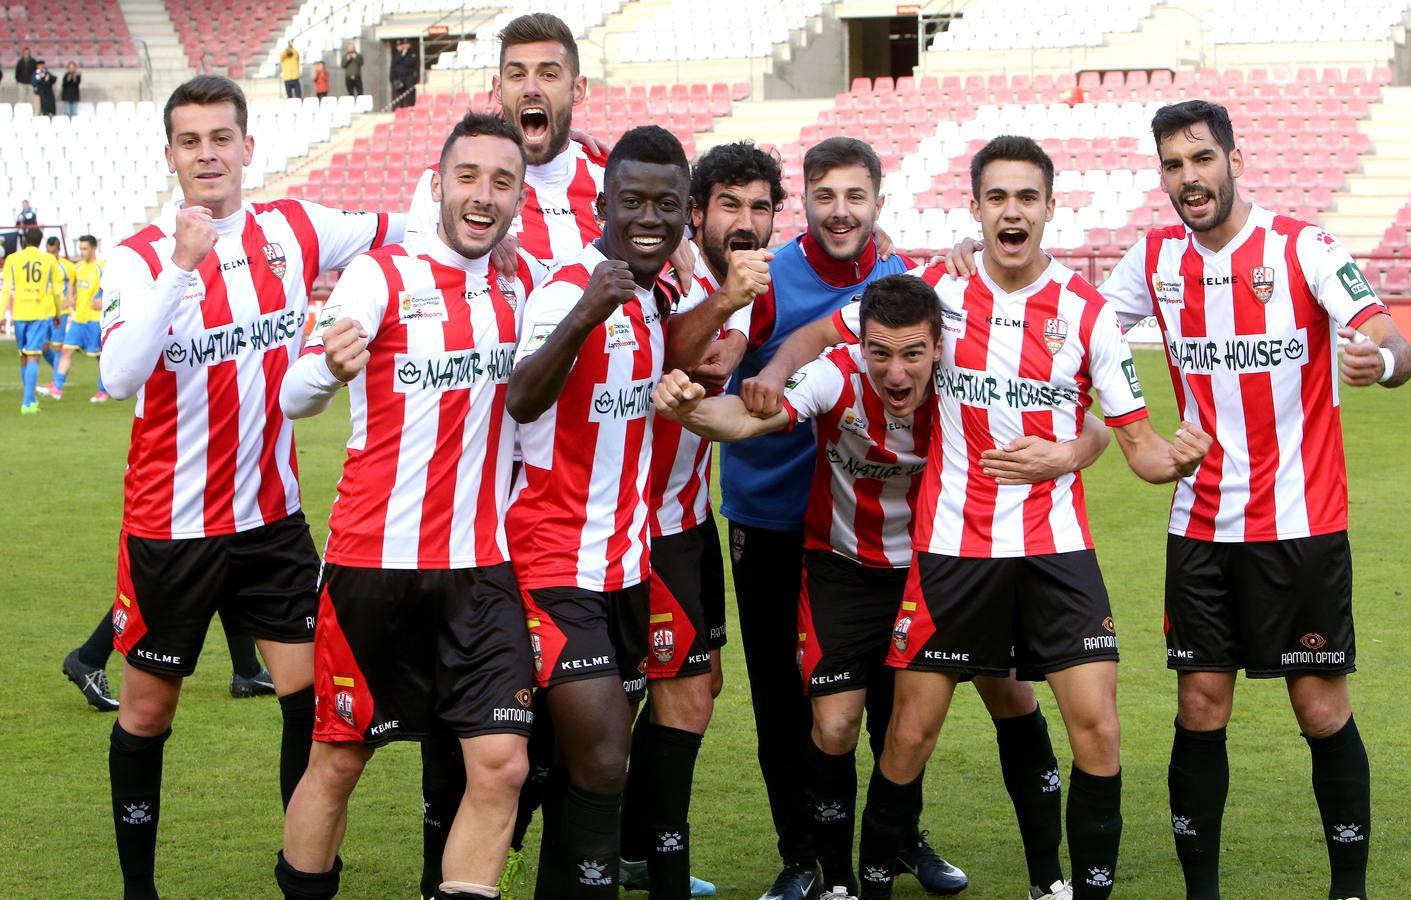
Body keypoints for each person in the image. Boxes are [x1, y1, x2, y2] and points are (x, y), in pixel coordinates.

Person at [945, 101, 1411, 900]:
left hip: (1299, 522)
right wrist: (975, 262)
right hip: (1197, 524)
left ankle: (1349, 891)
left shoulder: (1302, 247)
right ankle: (1200, 893)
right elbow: (1073, 330)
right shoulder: (1152, 259)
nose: (1188, 179)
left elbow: (1388, 335)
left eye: (1200, 159)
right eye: (1172, 165)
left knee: (1319, 708)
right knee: (1198, 705)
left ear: (1235, 159)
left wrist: (1385, 363)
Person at [823, 135, 1207, 900]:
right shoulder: (937, 292)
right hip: (951, 551)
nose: (1011, 211)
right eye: (996, 197)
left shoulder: (1088, 314)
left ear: (1048, 209)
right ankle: (869, 888)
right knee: (907, 738)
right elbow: (850, 341)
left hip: (1054, 548)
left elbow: (1137, 449)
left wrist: (1178, 453)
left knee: (1097, 730)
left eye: (1025, 197)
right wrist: (765, 377)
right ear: (974, 209)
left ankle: (1070, 890)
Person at [660, 268, 1114, 900]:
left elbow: (1085, 423)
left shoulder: (967, 386)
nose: (896, 375)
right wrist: (690, 409)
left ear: (937, 347)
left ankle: (1043, 877)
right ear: (862, 346)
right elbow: (743, 422)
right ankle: (839, 880)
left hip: (942, 566)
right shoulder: (836, 375)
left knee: (1003, 698)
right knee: (838, 727)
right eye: (880, 354)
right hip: (843, 570)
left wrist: (1072, 451)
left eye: (911, 355)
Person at [98, 75, 402, 900]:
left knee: (312, 700)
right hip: (171, 526)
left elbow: (410, 226)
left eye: (220, 137)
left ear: (247, 147)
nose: (207, 154)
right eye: (190, 141)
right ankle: (139, 892)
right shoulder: (137, 259)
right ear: (170, 155)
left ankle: (301, 867)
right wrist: (181, 270)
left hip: (271, 521)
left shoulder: (297, 229)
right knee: (149, 714)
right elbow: (119, 375)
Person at [276, 111, 542, 900]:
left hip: (482, 570)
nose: (483, 196)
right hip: (373, 564)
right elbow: (294, 395)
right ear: (436, 186)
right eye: (468, 177)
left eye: (502, 181)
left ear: (519, 197)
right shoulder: (381, 275)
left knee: (502, 764)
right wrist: (325, 366)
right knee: (339, 759)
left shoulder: (520, 282)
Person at [716, 137, 945, 900]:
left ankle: (897, 836)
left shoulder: (896, 275)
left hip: (870, 531)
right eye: (824, 197)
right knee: (787, 697)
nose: (839, 211)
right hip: (772, 516)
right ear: (802, 203)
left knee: (894, 693)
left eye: (854, 196)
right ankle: (802, 856)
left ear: (877, 199)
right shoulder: (771, 278)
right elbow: (728, 362)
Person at [503, 124, 703, 898]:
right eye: (632, 202)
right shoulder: (566, 288)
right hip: (554, 567)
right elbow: (522, 397)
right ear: (601, 206)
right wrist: (586, 312)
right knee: (604, 760)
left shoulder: (657, 303)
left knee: (565, 764)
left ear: (686, 213)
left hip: (626, 571)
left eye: (665, 204)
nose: (648, 218)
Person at [615, 140, 785, 899]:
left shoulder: (750, 282)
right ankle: (637, 863)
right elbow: (679, 358)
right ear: (696, 213)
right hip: (624, 522)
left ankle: (631, 848)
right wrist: (722, 301)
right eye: (729, 206)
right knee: (628, 696)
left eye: (758, 207)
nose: (744, 222)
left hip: (687, 520)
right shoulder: (662, 276)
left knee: (696, 686)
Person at [2, 227, 59, 414]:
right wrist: (57, 312)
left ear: (25, 240)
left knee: (24, 356)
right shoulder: (49, 260)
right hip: (39, 312)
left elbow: (6, 289)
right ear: (41, 242)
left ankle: (31, 400)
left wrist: (1, 315)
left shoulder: (12, 259)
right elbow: (56, 290)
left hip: (20, 313)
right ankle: (27, 403)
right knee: (34, 355)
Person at [54, 234, 108, 401]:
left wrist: (104, 301)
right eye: (80, 249)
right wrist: (70, 296)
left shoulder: (102, 267)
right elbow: (71, 283)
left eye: (85, 249)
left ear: (93, 248)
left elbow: (115, 290)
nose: (82, 252)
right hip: (79, 318)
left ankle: (104, 391)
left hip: (95, 319)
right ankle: (57, 388)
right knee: (66, 350)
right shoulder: (78, 267)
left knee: (100, 357)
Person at [33, 234, 74, 395]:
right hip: (43, 311)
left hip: (60, 312)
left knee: (57, 347)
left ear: (59, 250)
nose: (52, 255)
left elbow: (75, 286)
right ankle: (60, 369)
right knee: (42, 346)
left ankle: (57, 383)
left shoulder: (67, 267)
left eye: (54, 252)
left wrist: (70, 299)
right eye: (49, 252)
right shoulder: (42, 265)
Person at [390, 39, 417, 109]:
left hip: (408, 76)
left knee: (409, 93)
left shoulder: (411, 54)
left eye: (406, 44)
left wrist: (403, 58)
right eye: (403, 45)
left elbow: (410, 63)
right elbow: (395, 64)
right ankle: (400, 108)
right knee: (400, 94)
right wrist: (402, 55)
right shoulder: (397, 55)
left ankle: (410, 107)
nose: (404, 46)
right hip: (400, 77)